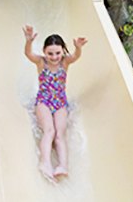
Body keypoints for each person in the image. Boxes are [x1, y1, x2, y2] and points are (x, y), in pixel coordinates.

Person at [23, 25, 88, 183]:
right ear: (44, 51)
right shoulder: (41, 62)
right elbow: (28, 54)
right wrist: (29, 41)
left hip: (60, 103)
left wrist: (78, 47)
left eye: (57, 53)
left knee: (60, 134)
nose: (54, 57)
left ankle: (63, 166)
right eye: (50, 53)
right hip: (44, 101)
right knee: (49, 131)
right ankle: (45, 163)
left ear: (62, 51)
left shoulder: (64, 62)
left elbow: (76, 56)